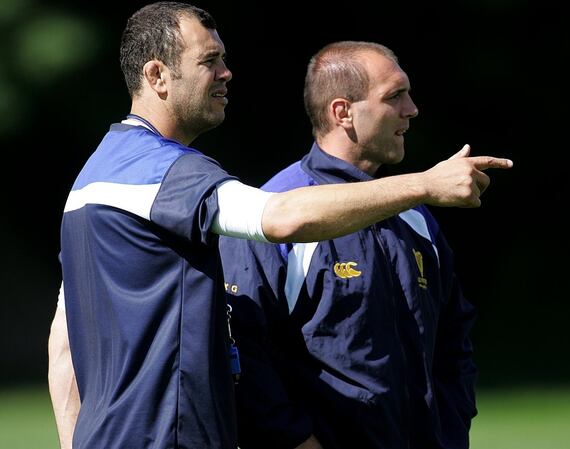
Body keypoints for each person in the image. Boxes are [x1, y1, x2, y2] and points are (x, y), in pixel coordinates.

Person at [48, 3, 512, 449]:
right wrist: (425, 184)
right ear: (157, 76)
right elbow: (283, 218)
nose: (227, 73)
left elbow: (65, 343)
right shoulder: (164, 172)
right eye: (210, 60)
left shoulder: (92, 178)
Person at [219, 41, 490, 449]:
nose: (412, 109)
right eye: (395, 96)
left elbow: (454, 344)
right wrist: (296, 440)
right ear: (343, 112)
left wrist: (449, 431)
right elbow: (240, 350)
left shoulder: (417, 218)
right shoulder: (277, 212)